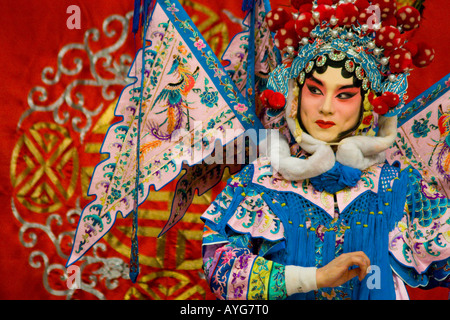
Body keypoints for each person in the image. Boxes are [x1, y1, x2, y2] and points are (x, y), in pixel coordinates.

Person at [200, 0, 450, 300]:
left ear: (368, 104)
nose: (327, 108)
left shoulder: (399, 187)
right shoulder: (262, 181)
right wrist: (315, 278)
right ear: (294, 96)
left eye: (344, 95)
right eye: (315, 90)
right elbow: (219, 266)